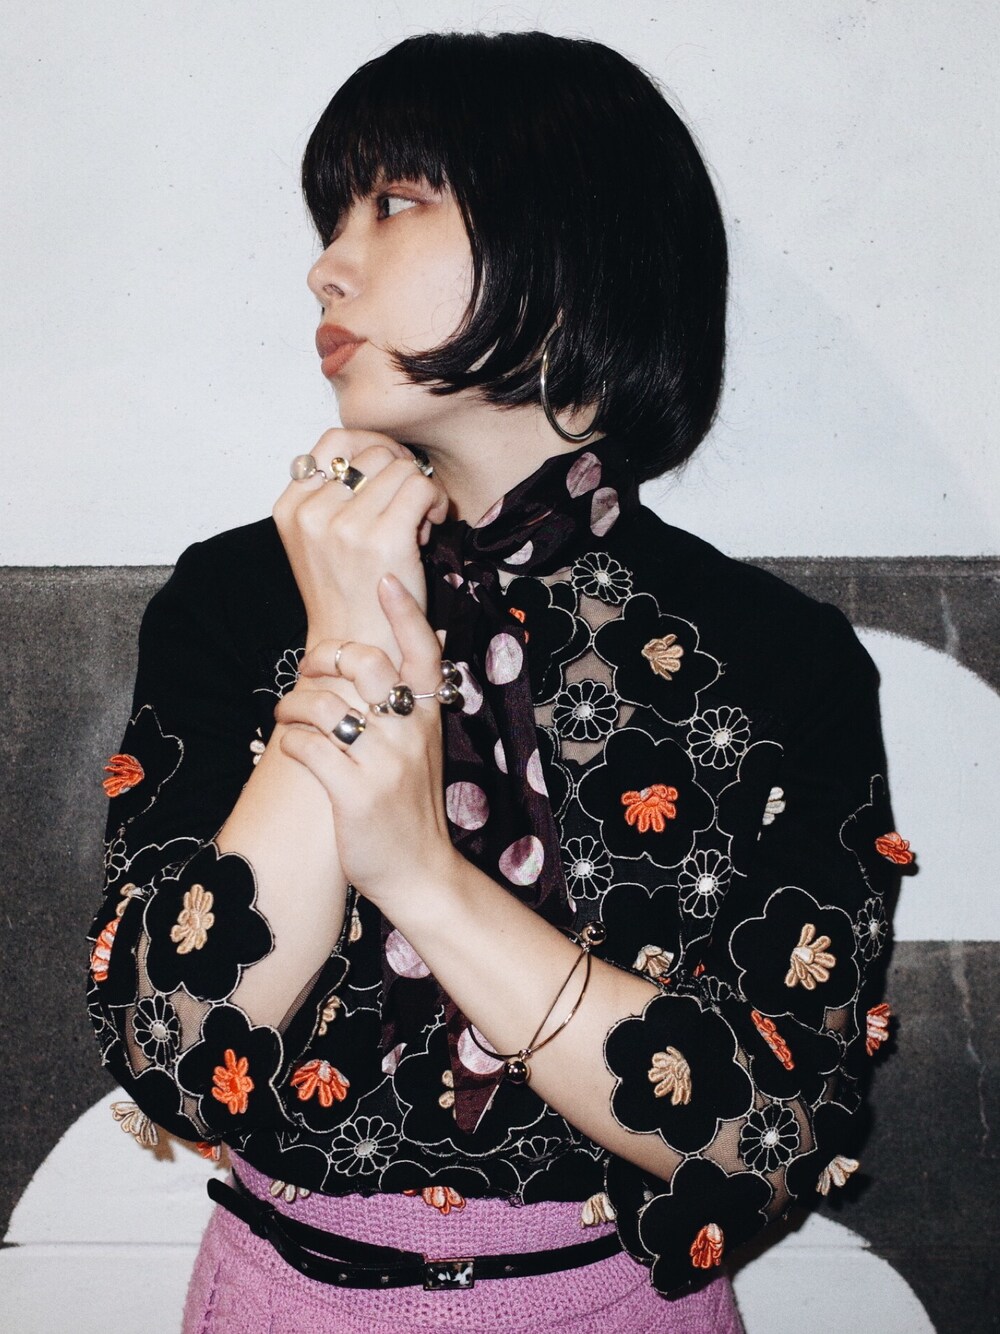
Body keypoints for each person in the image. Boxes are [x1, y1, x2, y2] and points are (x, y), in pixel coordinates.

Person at [87, 30, 903, 1333]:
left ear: (573, 244)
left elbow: (774, 1127)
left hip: (616, 1302)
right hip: (283, 1293)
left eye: (394, 203)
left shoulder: (772, 655)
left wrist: (420, 871)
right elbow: (172, 1050)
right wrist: (348, 637)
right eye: (332, 217)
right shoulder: (239, 599)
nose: (325, 262)